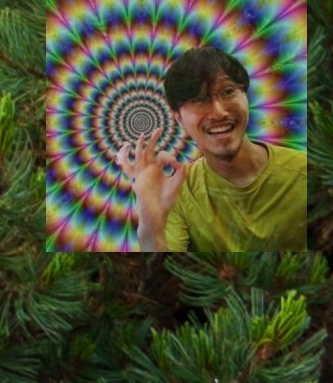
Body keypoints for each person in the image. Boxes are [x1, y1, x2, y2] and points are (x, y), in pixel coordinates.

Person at [131, 44, 310, 256]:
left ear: (246, 96)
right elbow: (165, 274)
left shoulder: (304, 172)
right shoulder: (178, 192)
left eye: (228, 91)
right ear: (177, 117)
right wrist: (151, 224)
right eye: (198, 100)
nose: (219, 112)